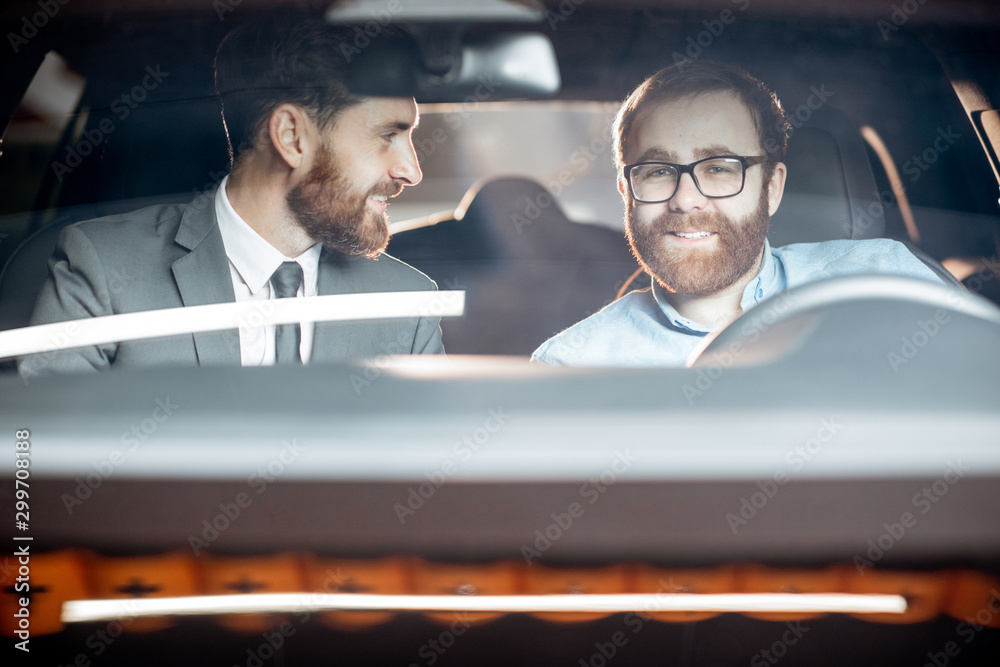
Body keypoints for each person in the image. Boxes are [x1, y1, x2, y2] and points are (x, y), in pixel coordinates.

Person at [20, 21, 442, 377]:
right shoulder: (104, 269)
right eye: (388, 136)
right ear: (292, 137)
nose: (412, 170)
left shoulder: (408, 306)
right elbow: (38, 463)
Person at [532, 60, 946, 367]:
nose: (686, 200)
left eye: (717, 168)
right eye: (658, 172)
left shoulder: (888, 281)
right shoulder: (572, 367)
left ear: (772, 187)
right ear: (627, 193)